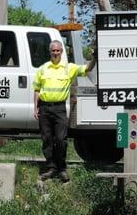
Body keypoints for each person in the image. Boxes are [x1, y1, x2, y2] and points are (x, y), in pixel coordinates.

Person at [33, 40, 96, 182]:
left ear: (62, 52)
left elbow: (88, 69)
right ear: (50, 52)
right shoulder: (43, 68)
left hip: (59, 108)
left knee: (61, 140)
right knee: (47, 140)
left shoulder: (69, 68)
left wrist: (94, 58)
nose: (55, 53)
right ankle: (50, 168)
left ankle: (62, 169)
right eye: (53, 51)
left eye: (58, 51)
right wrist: (35, 107)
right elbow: (36, 89)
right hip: (44, 108)